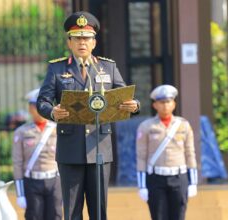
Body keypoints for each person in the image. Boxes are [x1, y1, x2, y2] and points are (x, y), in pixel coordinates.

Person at [36, 11, 139, 220]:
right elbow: (42, 102)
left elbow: (124, 94)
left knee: (99, 209)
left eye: (86, 38)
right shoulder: (57, 69)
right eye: (77, 38)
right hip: (70, 148)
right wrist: (52, 112)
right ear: (69, 42)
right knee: (72, 210)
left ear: (94, 42)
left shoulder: (107, 67)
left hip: (99, 146)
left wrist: (134, 105)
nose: (82, 42)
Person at [136, 85, 198, 220]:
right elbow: (141, 156)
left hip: (179, 177)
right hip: (156, 178)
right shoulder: (146, 126)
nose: (165, 106)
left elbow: (190, 153)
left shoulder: (184, 125)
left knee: (178, 216)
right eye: (162, 102)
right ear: (155, 105)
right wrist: (142, 186)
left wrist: (193, 182)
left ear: (174, 104)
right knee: (158, 216)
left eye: (168, 101)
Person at [12, 88, 62, 220]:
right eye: (35, 106)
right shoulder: (21, 132)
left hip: (54, 180)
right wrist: (20, 193)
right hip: (32, 181)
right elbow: (17, 163)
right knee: (34, 216)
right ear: (30, 108)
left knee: (56, 216)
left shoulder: (57, 129)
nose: (38, 110)